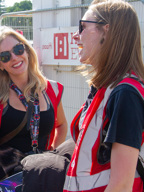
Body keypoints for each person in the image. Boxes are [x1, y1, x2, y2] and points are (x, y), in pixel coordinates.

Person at [0, 26, 68, 192]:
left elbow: (62, 125)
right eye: (5, 56)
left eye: (18, 49)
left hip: (39, 178)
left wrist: (51, 156)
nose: (14, 58)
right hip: (5, 181)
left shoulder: (52, 90)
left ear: (27, 50)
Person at [64, 0, 144, 191]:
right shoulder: (107, 89)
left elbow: (122, 185)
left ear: (106, 31)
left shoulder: (126, 93)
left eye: (83, 26)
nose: (76, 35)